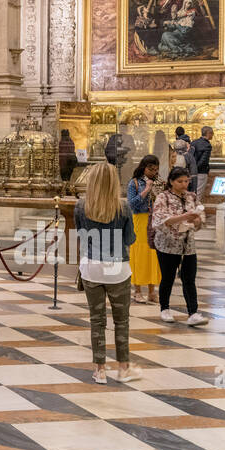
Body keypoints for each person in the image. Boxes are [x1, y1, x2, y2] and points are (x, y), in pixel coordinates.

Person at [74, 162, 141, 385]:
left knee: (97, 320)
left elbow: (82, 237)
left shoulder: (81, 206)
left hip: (92, 267)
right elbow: (130, 239)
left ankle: (100, 370)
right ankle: (123, 369)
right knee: (122, 321)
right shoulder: (123, 208)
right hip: (118, 269)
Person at [150, 166, 207, 326]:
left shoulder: (192, 197)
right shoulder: (164, 197)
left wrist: (197, 220)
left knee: (189, 278)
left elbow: (200, 218)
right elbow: (161, 219)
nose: (184, 184)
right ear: (171, 182)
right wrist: (184, 217)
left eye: (186, 181)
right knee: (168, 278)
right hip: (167, 245)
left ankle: (193, 312)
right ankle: (165, 308)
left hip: (188, 245)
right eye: (180, 181)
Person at [126, 154, 163, 305]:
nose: (153, 172)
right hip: (140, 220)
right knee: (140, 255)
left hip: (153, 219)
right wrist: (146, 190)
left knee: (153, 255)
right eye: (150, 169)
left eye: (155, 169)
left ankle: (152, 291)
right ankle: (137, 291)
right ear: (143, 167)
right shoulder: (134, 183)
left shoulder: (158, 182)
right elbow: (131, 204)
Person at [189, 126, 213, 195]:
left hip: (192, 172)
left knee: (192, 193)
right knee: (198, 193)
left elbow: (190, 157)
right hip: (201, 172)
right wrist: (196, 169)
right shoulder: (207, 145)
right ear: (208, 133)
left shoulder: (194, 142)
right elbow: (203, 161)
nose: (213, 135)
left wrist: (192, 169)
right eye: (212, 133)